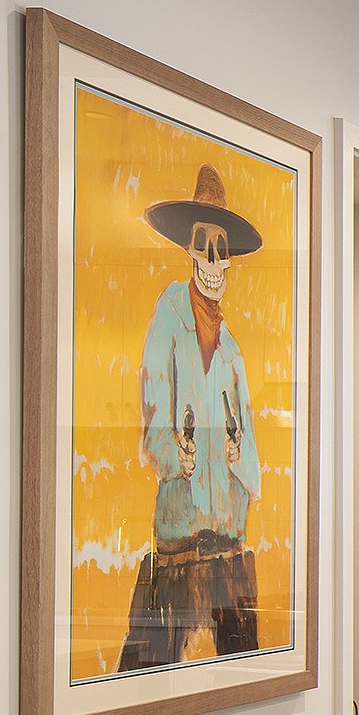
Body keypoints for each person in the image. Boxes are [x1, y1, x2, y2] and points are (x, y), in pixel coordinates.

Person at [117, 164, 266, 671]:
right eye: (204, 247)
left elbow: (250, 449)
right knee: (146, 671)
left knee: (243, 674)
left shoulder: (233, 351)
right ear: (190, 249)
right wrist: (173, 453)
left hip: (228, 540)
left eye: (222, 251)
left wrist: (236, 454)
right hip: (179, 537)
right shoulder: (169, 315)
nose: (213, 262)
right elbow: (153, 410)